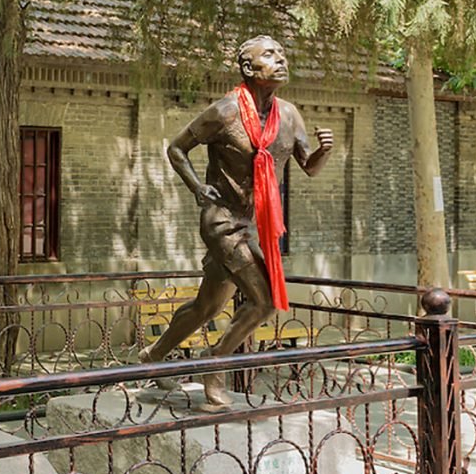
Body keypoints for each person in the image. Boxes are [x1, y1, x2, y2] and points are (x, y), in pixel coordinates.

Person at [139, 35, 334, 409]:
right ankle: (214, 363)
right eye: (270, 55)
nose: (281, 60)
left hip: (254, 224)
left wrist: (324, 151)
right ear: (248, 67)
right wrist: (197, 187)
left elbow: (308, 167)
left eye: (282, 54)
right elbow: (176, 149)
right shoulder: (225, 112)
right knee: (267, 301)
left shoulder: (289, 116)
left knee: (206, 307)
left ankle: (153, 355)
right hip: (222, 221)